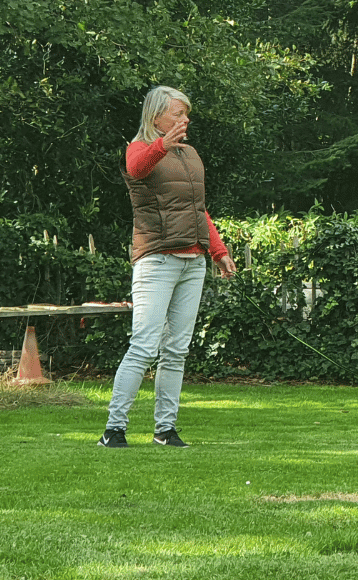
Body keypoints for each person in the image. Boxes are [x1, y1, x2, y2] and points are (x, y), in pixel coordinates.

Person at [97, 86, 236, 448]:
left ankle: (165, 430)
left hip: (193, 262)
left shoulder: (189, 154)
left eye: (185, 114)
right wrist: (163, 144)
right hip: (156, 259)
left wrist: (218, 251)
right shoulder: (140, 148)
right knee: (143, 346)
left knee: (176, 350)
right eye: (177, 114)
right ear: (156, 116)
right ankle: (114, 429)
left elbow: (197, 210)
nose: (185, 120)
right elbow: (137, 167)